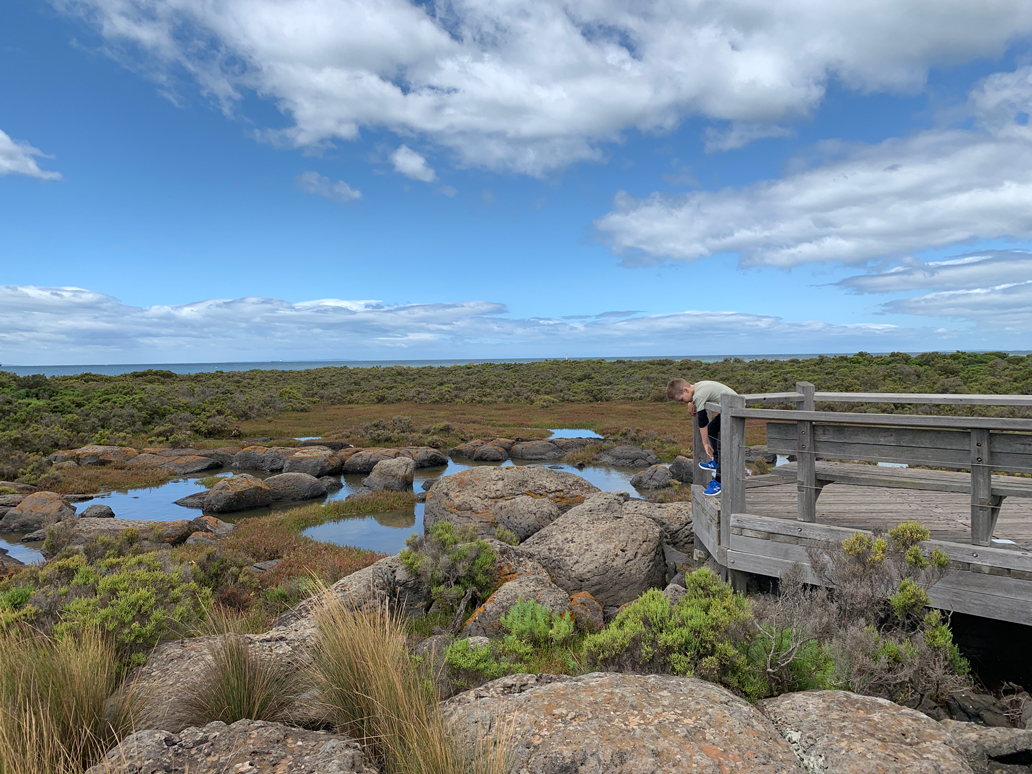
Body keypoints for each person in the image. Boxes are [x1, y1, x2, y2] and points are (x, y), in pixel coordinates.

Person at [666, 378, 739, 496]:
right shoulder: (698, 387)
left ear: (685, 390)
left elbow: (702, 420)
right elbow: (695, 396)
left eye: (682, 400)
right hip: (729, 409)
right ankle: (716, 461)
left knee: (721, 444)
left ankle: (719, 483)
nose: (682, 402)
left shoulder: (699, 395)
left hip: (735, 411)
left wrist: (705, 443)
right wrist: (690, 402)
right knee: (712, 431)